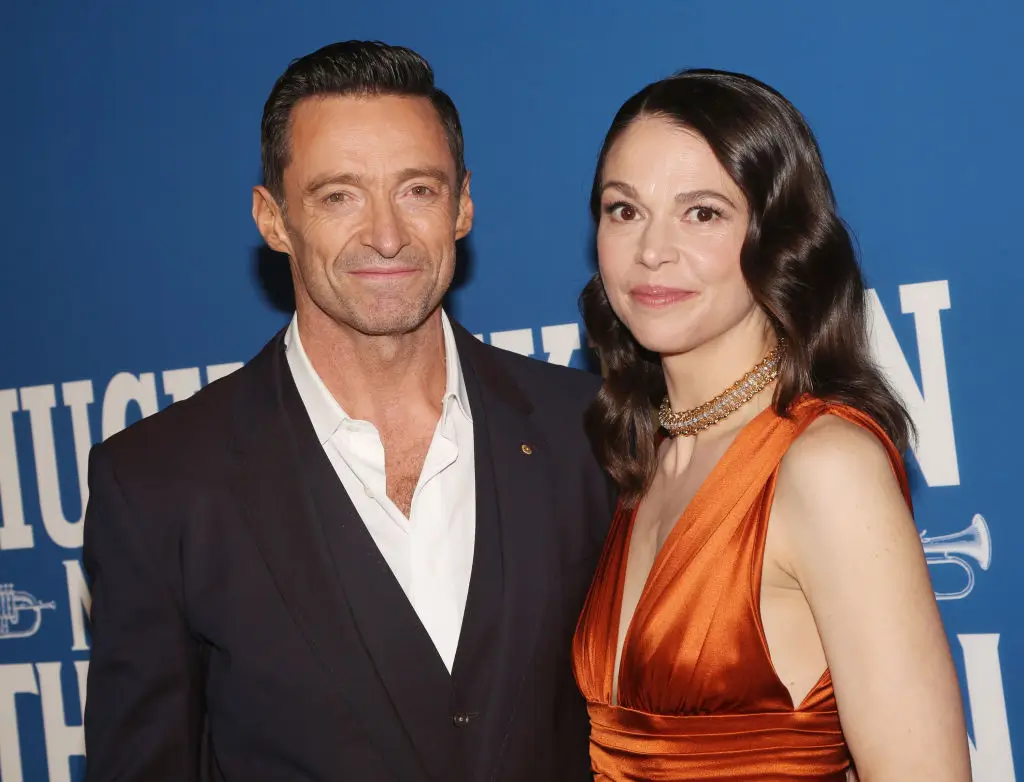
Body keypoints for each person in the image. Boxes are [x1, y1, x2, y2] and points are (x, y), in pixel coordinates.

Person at [82, 40, 615, 782]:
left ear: (463, 205)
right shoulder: (157, 484)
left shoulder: (588, 431)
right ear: (273, 219)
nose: (386, 235)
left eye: (417, 190)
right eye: (339, 195)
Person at [571, 69, 972, 780]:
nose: (651, 250)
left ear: (779, 235)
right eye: (623, 210)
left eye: (702, 213)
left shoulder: (824, 466)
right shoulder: (645, 464)